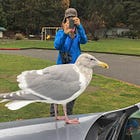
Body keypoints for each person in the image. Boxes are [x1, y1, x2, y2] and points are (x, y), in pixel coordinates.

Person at [50, 8, 87, 117]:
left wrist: (80, 27)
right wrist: (65, 33)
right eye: (68, 17)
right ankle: (53, 115)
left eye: (73, 17)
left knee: (73, 91)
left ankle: (69, 113)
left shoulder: (78, 33)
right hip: (61, 68)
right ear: (65, 18)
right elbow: (57, 45)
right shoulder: (61, 32)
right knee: (57, 91)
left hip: (75, 68)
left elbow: (84, 41)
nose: (71, 19)